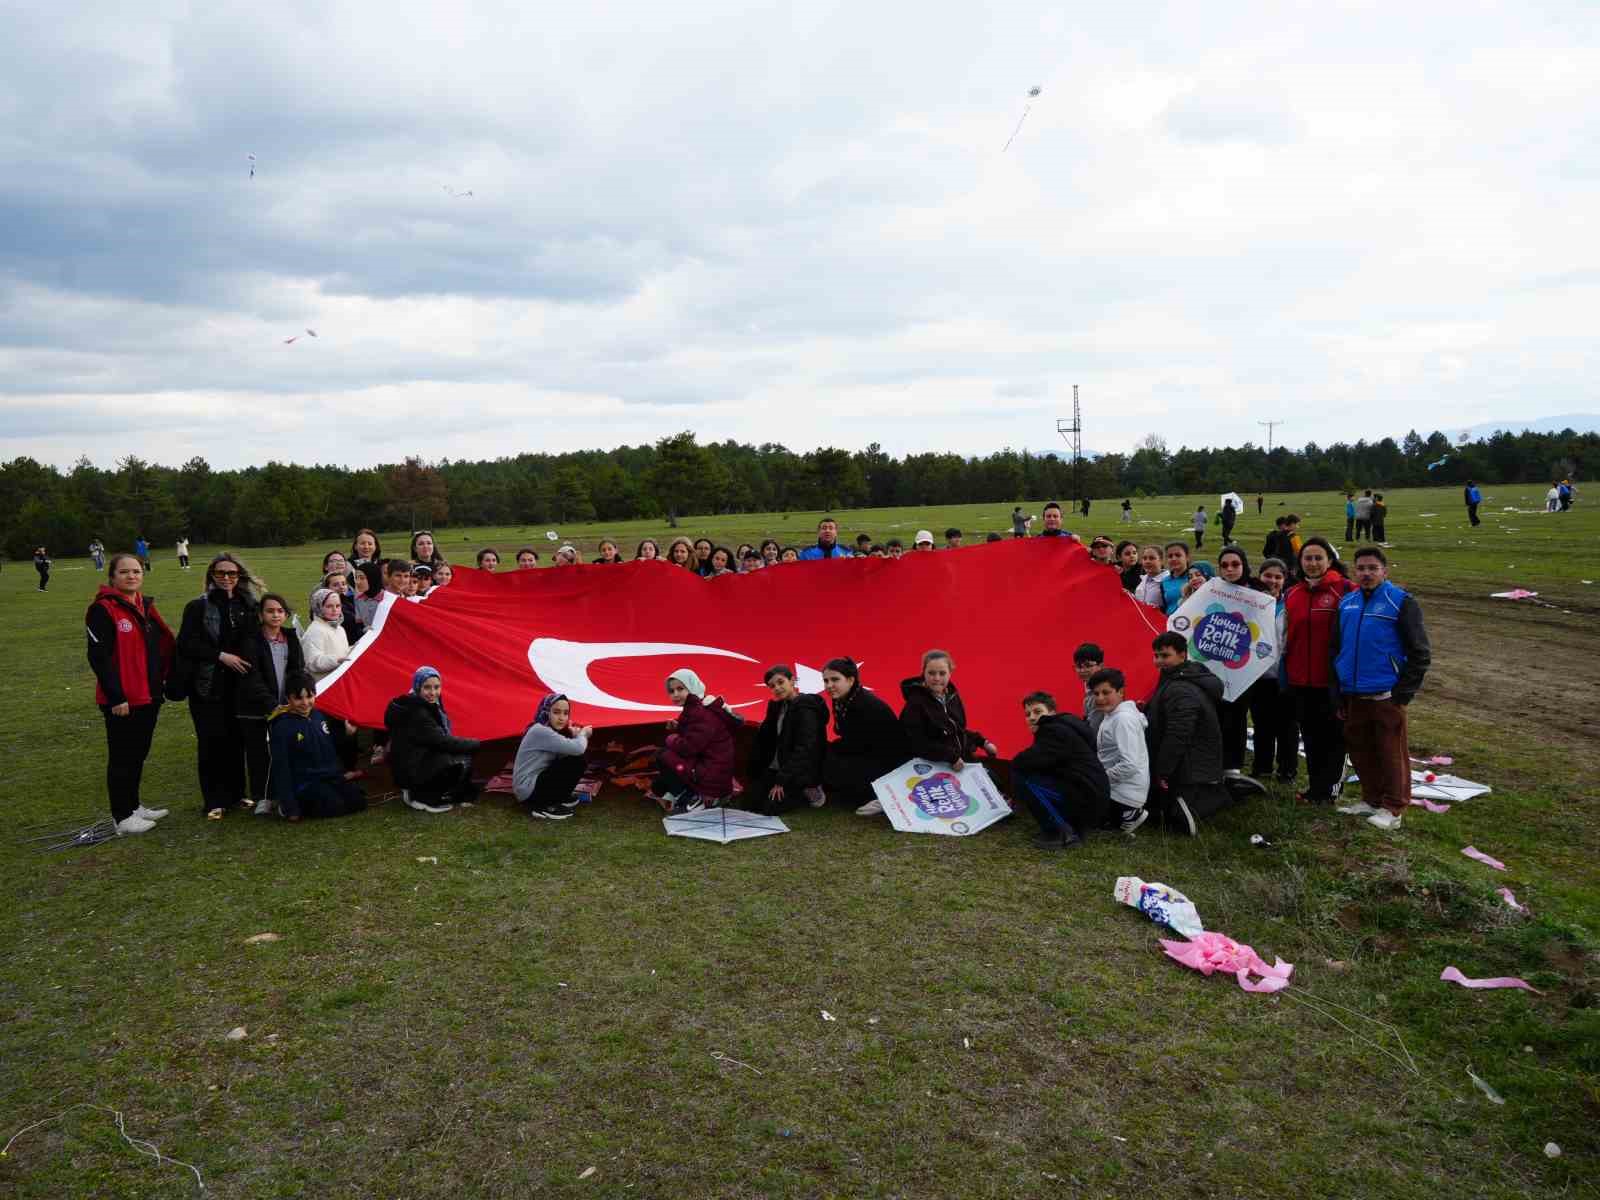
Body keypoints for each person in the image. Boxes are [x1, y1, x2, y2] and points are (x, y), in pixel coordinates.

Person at [1331, 547, 1432, 831]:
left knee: (1391, 753)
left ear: (1384, 572)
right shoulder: (1347, 603)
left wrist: (1402, 693)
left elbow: (1420, 652)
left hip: (1386, 694)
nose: (1366, 573)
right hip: (1353, 693)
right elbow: (1338, 647)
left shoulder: (1400, 602)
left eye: (1372, 568)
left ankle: (1393, 808)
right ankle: (1371, 799)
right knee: (1361, 750)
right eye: (1361, 568)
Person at [85, 553, 176, 835]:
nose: (131, 576)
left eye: (136, 571)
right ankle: (121, 816)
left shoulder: (144, 606)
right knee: (122, 757)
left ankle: (134, 806)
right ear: (112, 577)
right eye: (124, 572)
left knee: (138, 753)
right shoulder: (103, 609)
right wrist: (116, 697)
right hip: (122, 700)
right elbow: (98, 657)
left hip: (148, 694)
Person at [176, 553, 258, 819]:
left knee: (237, 741)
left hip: (240, 685)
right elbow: (187, 644)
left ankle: (236, 795)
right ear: (211, 575)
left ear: (239, 576)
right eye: (220, 573)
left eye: (231, 573)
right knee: (211, 743)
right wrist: (221, 656)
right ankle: (214, 800)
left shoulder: (248, 605)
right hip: (208, 685)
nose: (226, 578)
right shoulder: (198, 607)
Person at [1282, 536, 1353, 804]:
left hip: (1331, 681)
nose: (1312, 563)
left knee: (1333, 737)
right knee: (1310, 736)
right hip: (1300, 679)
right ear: (1300, 562)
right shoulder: (1293, 593)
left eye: (1317, 558)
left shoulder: (1345, 590)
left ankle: (1330, 790)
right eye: (1307, 558)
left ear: (1330, 561)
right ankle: (1315, 788)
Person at [1145, 631, 1227, 836]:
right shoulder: (1178, 677)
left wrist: (1163, 770)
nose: (1159, 661)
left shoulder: (1181, 688)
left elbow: (1179, 734)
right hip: (1192, 764)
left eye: (1165, 656)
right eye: (1156, 656)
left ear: (1182, 655)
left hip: (1191, 768)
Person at [1012, 692, 1110, 850]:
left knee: (1023, 778)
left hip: (1087, 798)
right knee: (1035, 774)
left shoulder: (1053, 730)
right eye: (1027, 714)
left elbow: (1024, 762)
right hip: (1092, 798)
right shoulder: (1065, 726)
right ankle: (1072, 827)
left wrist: (1017, 762)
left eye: (1038, 712)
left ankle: (1062, 833)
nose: (1031, 717)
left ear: (1051, 713)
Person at [235, 592, 304, 815]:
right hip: (257, 708)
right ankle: (262, 796)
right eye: (270, 611)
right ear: (261, 614)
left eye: (279, 611)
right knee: (258, 753)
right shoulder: (251, 640)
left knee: (284, 750)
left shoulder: (291, 637)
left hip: (285, 705)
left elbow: (297, 669)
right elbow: (251, 675)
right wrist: (270, 703)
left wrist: (293, 700)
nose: (275, 615)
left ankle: (284, 793)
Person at [266, 672, 368, 821]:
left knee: (359, 802)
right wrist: (290, 806)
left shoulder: (319, 715)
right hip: (306, 783)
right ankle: (288, 807)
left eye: (309, 696)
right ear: (288, 698)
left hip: (329, 777)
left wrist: (347, 734)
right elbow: (281, 768)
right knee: (335, 807)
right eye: (299, 698)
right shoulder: (281, 726)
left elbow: (330, 744)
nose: (305, 702)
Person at [385, 666, 481, 813]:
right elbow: (442, 741)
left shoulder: (411, 704)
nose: (433, 692)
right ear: (418, 687)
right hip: (412, 767)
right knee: (460, 761)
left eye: (436, 687)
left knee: (457, 756)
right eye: (427, 687)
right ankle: (423, 798)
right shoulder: (419, 713)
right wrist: (475, 744)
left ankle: (416, 791)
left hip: (407, 764)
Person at [819, 658, 908, 812]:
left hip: (885, 764)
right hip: (865, 754)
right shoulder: (842, 699)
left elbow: (861, 745)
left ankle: (878, 796)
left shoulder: (865, 704)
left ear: (850, 680)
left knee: (828, 761)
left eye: (835, 680)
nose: (829, 685)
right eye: (826, 681)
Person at [652, 669, 742, 812]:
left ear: (693, 687)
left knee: (662, 756)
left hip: (711, 777)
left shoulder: (699, 712)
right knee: (659, 782)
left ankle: (694, 796)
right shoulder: (697, 708)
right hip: (712, 771)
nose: (675, 694)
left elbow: (688, 748)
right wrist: (680, 727)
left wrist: (671, 738)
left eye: (680, 688)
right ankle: (689, 793)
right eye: (671, 691)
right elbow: (698, 738)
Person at [896, 650, 997, 776]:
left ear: (950, 673)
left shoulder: (952, 696)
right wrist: (951, 757)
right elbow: (917, 743)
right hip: (931, 767)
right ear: (924, 673)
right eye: (931, 673)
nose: (937, 678)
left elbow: (956, 730)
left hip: (960, 760)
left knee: (995, 781)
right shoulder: (915, 703)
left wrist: (982, 742)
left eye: (942, 673)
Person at [748, 665, 828, 813]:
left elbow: (805, 747)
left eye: (780, 682)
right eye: (772, 686)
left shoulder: (806, 707)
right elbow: (765, 739)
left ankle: (811, 787)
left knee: (770, 808)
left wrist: (781, 780)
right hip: (779, 767)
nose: (777, 688)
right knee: (752, 803)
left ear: (792, 681)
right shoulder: (777, 707)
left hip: (799, 770)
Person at [1250, 557, 1299, 785]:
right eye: (1267, 575)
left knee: (1287, 725)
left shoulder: (1290, 604)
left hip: (1286, 674)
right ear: (1260, 577)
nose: (1272, 580)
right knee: (1262, 724)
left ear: (1284, 580)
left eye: (1278, 577)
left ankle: (1287, 770)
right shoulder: (1250, 603)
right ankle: (1262, 767)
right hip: (1258, 675)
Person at [1088, 668, 1150, 835]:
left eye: (1106, 692)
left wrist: (1099, 778)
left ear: (1121, 692)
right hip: (1117, 787)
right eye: (1096, 693)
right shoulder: (1113, 715)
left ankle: (1129, 814)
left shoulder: (1123, 719)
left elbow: (1130, 765)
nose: (1100, 698)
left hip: (1123, 793)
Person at [512, 693, 593, 820]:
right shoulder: (540, 730)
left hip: (532, 786)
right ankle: (543, 806)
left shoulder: (546, 729)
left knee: (575, 759)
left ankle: (558, 797)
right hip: (528, 792)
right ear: (546, 711)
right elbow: (578, 748)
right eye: (556, 712)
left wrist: (572, 736)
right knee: (576, 759)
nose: (561, 718)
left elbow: (566, 754)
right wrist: (582, 735)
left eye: (566, 713)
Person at [302, 587, 352, 682]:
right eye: (329, 606)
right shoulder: (315, 631)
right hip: (324, 682)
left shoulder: (339, 628)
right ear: (318, 607)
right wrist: (336, 660)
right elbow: (312, 662)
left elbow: (342, 651)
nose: (334, 610)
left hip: (339, 679)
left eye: (338, 606)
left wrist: (358, 646)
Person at [1159, 542, 1200, 615]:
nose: (1173, 559)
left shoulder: (1197, 578)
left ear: (1187, 557)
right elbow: (1165, 606)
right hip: (1169, 622)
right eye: (1170, 556)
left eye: (1178, 555)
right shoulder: (1164, 582)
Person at [1072, 643, 1104, 730]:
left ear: (1100, 666)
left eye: (1088, 665)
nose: (1082, 670)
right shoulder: (1089, 687)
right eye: (1079, 666)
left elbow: (1093, 731)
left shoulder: (1102, 692)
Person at [353, 560, 384, 628]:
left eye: (362, 578)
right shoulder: (359, 599)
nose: (357, 582)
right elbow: (359, 623)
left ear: (372, 578)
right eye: (356, 578)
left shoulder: (387, 599)